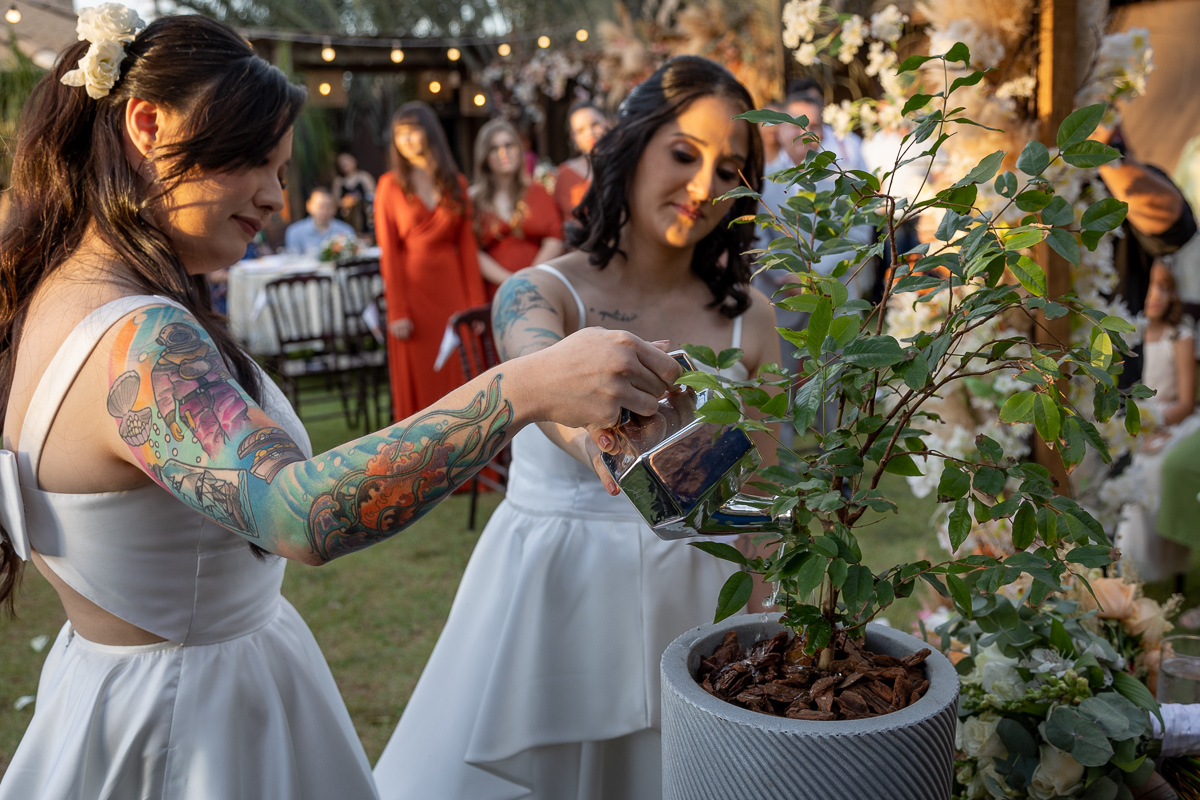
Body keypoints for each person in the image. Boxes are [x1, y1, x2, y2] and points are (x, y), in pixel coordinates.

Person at [0, 12, 683, 800]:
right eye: (255, 161)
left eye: (283, 170)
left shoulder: (55, 294)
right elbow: (301, 512)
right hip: (192, 731)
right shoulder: (136, 340)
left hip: (125, 691)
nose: (273, 197)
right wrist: (524, 387)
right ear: (148, 124)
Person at [373, 55, 780, 800]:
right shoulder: (540, 294)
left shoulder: (752, 321)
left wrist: (770, 633)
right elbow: (542, 383)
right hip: (552, 604)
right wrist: (596, 437)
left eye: (729, 170)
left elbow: (761, 499)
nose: (702, 188)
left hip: (701, 608)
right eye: (684, 154)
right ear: (632, 146)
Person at [374, 102, 486, 422]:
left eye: (413, 131)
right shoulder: (389, 186)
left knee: (461, 377)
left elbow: (466, 248)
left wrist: (476, 304)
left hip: (453, 294)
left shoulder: (456, 183)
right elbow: (389, 254)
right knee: (423, 380)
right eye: (399, 134)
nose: (406, 140)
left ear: (430, 132)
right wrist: (397, 311)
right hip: (413, 298)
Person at [1113, 262, 1196, 585]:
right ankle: (1127, 564)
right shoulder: (1133, 333)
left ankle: (1162, 564)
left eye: (1165, 286)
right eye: (1151, 285)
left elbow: (1186, 402)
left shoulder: (1180, 334)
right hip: (1139, 421)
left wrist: (1155, 422)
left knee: (1153, 471)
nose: (1157, 295)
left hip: (1175, 422)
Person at [471, 118, 564, 298]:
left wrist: (528, 278)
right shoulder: (474, 200)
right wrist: (510, 281)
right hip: (496, 291)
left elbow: (555, 239)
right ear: (484, 156)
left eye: (509, 145)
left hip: (538, 286)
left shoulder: (538, 191)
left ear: (519, 150)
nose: (503, 153)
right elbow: (472, 251)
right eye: (494, 148)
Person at [554, 100, 610, 235]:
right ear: (574, 138)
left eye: (595, 124)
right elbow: (569, 226)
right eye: (580, 130)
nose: (590, 133)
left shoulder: (628, 162)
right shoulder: (566, 175)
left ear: (608, 122)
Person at [284, 186, 357, 255]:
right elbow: (294, 261)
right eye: (320, 206)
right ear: (308, 205)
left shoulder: (345, 230)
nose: (324, 211)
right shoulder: (295, 232)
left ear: (335, 208)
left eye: (328, 206)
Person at [332, 151, 377, 235]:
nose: (344, 163)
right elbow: (335, 202)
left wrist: (360, 198)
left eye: (347, 160)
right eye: (341, 162)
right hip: (347, 217)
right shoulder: (338, 181)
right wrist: (346, 202)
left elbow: (373, 196)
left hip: (365, 215)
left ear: (354, 161)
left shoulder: (364, 176)